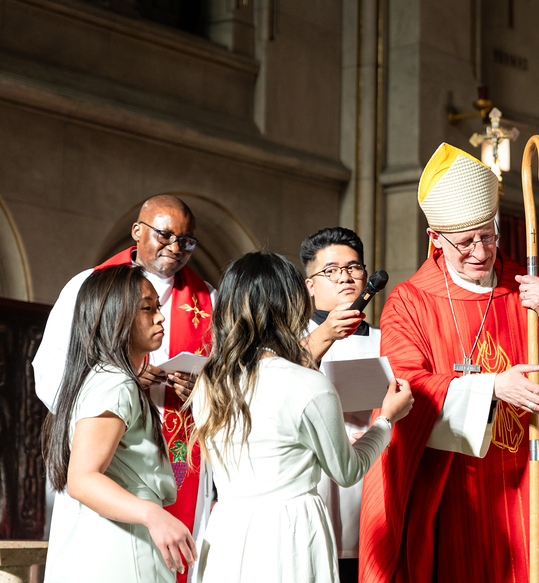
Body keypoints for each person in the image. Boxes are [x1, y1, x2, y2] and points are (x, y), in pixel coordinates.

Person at [359, 143, 539, 583]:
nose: (480, 251)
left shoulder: (530, 289)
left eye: (488, 236)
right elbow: (405, 391)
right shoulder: (410, 303)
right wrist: (492, 387)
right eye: (465, 242)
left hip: (530, 475)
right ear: (435, 238)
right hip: (456, 488)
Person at [189, 251, 413, 583]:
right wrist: (387, 420)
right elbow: (348, 471)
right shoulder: (307, 383)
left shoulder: (209, 382)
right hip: (289, 530)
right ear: (291, 306)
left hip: (229, 528)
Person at [33, 194, 214, 582]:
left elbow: (223, 380)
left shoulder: (209, 299)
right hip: (107, 460)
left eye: (186, 241)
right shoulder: (89, 286)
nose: (175, 248)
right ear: (137, 230)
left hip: (173, 451)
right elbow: (51, 369)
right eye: (165, 236)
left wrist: (200, 391)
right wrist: (122, 378)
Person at [300, 227, 376, 583]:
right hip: (315, 481)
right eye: (331, 270)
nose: (345, 277)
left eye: (353, 267)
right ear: (310, 284)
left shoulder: (389, 339)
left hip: (373, 473)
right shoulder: (290, 342)